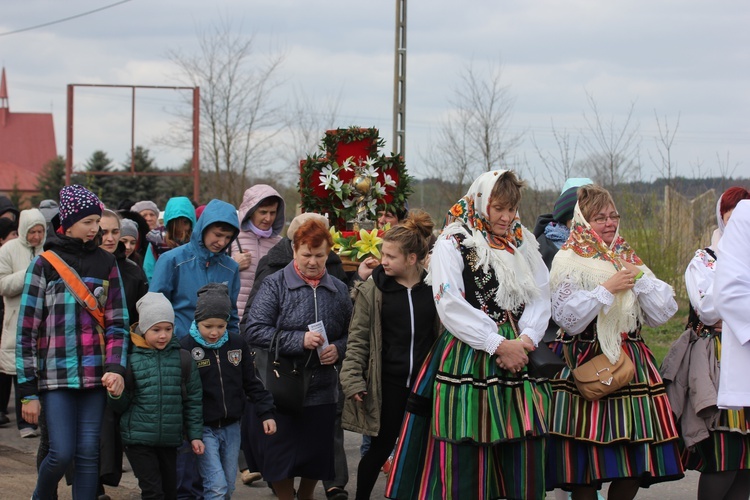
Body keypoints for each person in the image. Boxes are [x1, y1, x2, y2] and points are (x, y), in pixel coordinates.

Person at [386, 170, 552, 499]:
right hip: (470, 351)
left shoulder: (521, 243)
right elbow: (449, 301)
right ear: (481, 202)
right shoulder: (457, 241)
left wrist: (527, 338)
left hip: (517, 352)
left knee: (520, 448)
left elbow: (541, 293)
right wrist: (496, 343)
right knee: (467, 451)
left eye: (511, 209)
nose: (506, 217)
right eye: (499, 208)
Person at [546, 184, 683, 500]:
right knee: (582, 462)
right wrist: (607, 287)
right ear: (582, 220)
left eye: (613, 216)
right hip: (584, 356)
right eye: (599, 218)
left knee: (636, 458)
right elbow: (567, 318)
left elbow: (663, 312)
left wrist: (639, 279)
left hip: (631, 361)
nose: (609, 223)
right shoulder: (568, 258)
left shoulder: (626, 255)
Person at [16, 185, 129, 499]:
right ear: (68, 221)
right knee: (61, 452)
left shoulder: (107, 264)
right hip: (55, 379)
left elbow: (118, 324)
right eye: (89, 222)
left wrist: (116, 368)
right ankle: (41, 494)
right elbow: (26, 331)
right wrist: (27, 392)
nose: (97, 229)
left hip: (96, 377)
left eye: (98, 222)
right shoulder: (44, 264)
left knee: (88, 455)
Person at [244, 218, 353, 500]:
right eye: (306, 255)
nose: (313, 262)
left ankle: (306, 496)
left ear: (328, 253)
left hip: (322, 386)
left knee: (316, 454)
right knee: (280, 455)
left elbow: (352, 333)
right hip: (282, 385)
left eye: (320, 255)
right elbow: (254, 329)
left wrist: (338, 349)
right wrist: (299, 340)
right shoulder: (275, 284)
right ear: (294, 251)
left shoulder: (338, 290)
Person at [341, 210, 440, 500]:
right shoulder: (374, 289)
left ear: (412, 259)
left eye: (391, 256)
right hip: (389, 385)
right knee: (381, 448)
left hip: (425, 385)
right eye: (383, 254)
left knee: (423, 450)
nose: (383, 261)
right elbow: (358, 338)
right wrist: (353, 379)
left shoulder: (433, 288)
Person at [661, 187, 750, 500]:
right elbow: (710, 308)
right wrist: (728, 255)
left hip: (745, 355)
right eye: (733, 215)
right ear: (722, 218)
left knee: (746, 463)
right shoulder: (705, 259)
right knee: (723, 454)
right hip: (716, 362)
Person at [150, 198, 241, 499]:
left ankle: (210, 491)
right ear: (202, 228)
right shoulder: (173, 260)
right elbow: (155, 308)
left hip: (217, 359)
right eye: (217, 233)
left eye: (228, 237)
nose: (221, 241)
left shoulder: (230, 267)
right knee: (186, 434)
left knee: (212, 427)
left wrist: (234, 354)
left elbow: (233, 317)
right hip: (178, 355)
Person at [181, 283, 277, 499]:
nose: (214, 332)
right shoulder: (186, 347)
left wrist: (266, 413)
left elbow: (251, 381)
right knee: (216, 486)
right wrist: (188, 429)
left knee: (228, 487)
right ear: (197, 321)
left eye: (221, 326)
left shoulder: (237, 344)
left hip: (232, 426)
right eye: (208, 326)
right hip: (203, 428)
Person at [109, 292, 205, 499]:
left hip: (170, 441)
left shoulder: (183, 359)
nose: (163, 335)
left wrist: (195, 435)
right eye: (156, 330)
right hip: (138, 440)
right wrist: (115, 394)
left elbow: (194, 400)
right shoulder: (130, 360)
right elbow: (121, 405)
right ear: (143, 329)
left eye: (168, 329)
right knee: (153, 492)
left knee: (170, 492)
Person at [0, 208, 46, 438]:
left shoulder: (49, 250)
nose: (36, 237)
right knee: (21, 372)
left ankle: (41, 419)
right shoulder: (8, 250)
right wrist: (30, 273)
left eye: (40, 231)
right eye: (32, 232)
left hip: (44, 320)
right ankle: (24, 423)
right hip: (16, 318)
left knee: (41, 371)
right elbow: (2, 284)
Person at [233, 184, 285, 323]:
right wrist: (233, 265)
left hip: (266, 322)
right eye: (263, 212)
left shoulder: (281, 244)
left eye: (272, 213)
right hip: (234, 320)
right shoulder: (232, 238)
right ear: (250, 212)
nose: (268, 218)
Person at [142, 197, 196, 282]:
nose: (180, 228)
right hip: (163, 289)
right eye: (176, 224)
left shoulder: (197, 242)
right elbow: (149, 271)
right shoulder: (157, 240)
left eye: (185, 222)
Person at [0, 216, 19, 427]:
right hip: (7, 316)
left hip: (9, 315)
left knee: (13, 370)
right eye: (12, 235)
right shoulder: (7, 254)